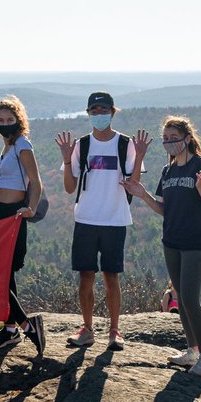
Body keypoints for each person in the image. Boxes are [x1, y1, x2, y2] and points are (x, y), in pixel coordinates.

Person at [123, 117, 201, 375]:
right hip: (172, 241)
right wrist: (143, 194)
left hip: (197, 241)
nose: (168, 143)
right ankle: (192, 351)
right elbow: (165, 209)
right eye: (165, 139)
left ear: (187, 139)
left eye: (173, 138)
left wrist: (200, 186)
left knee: (189, 297)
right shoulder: (168, 171)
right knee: (180, 296)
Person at [56, 92, 144, 351]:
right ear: (88, 114)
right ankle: (87, 329)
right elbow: (70, 188)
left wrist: (138, 156)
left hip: (114, 219)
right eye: (93, 110)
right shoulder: (81, 146)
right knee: (85, 276)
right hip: (85, 218)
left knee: (111, 277)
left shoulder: (124, 144)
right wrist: (65, 157)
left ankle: (114, 330)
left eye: (103, 110)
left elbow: (133, 185)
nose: (98, 115)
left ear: (112, 112)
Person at [0, 96, 45, 354]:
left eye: (9, 120)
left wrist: (31, 208)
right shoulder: (7, 145)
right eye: (0, 120)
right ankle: (10, 329)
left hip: (11, 215)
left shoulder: (22, 144)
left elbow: (36, 181)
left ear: (18, 120)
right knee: (3, 273)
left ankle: (27, 325)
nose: (5, 124)